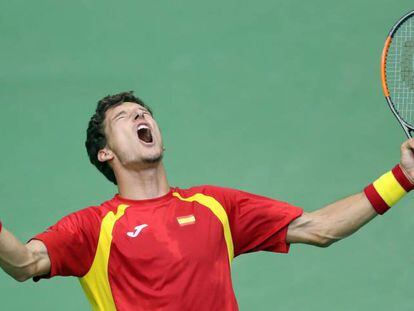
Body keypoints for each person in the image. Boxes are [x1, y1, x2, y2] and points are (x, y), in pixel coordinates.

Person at [1, 91, 414, 311]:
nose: (141, 117)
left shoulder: (214, 206)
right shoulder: (92, 228)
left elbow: (318, 228)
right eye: (125, 118)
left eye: (144, 112)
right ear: (104, 153)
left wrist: (403, 178)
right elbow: (22, 263)